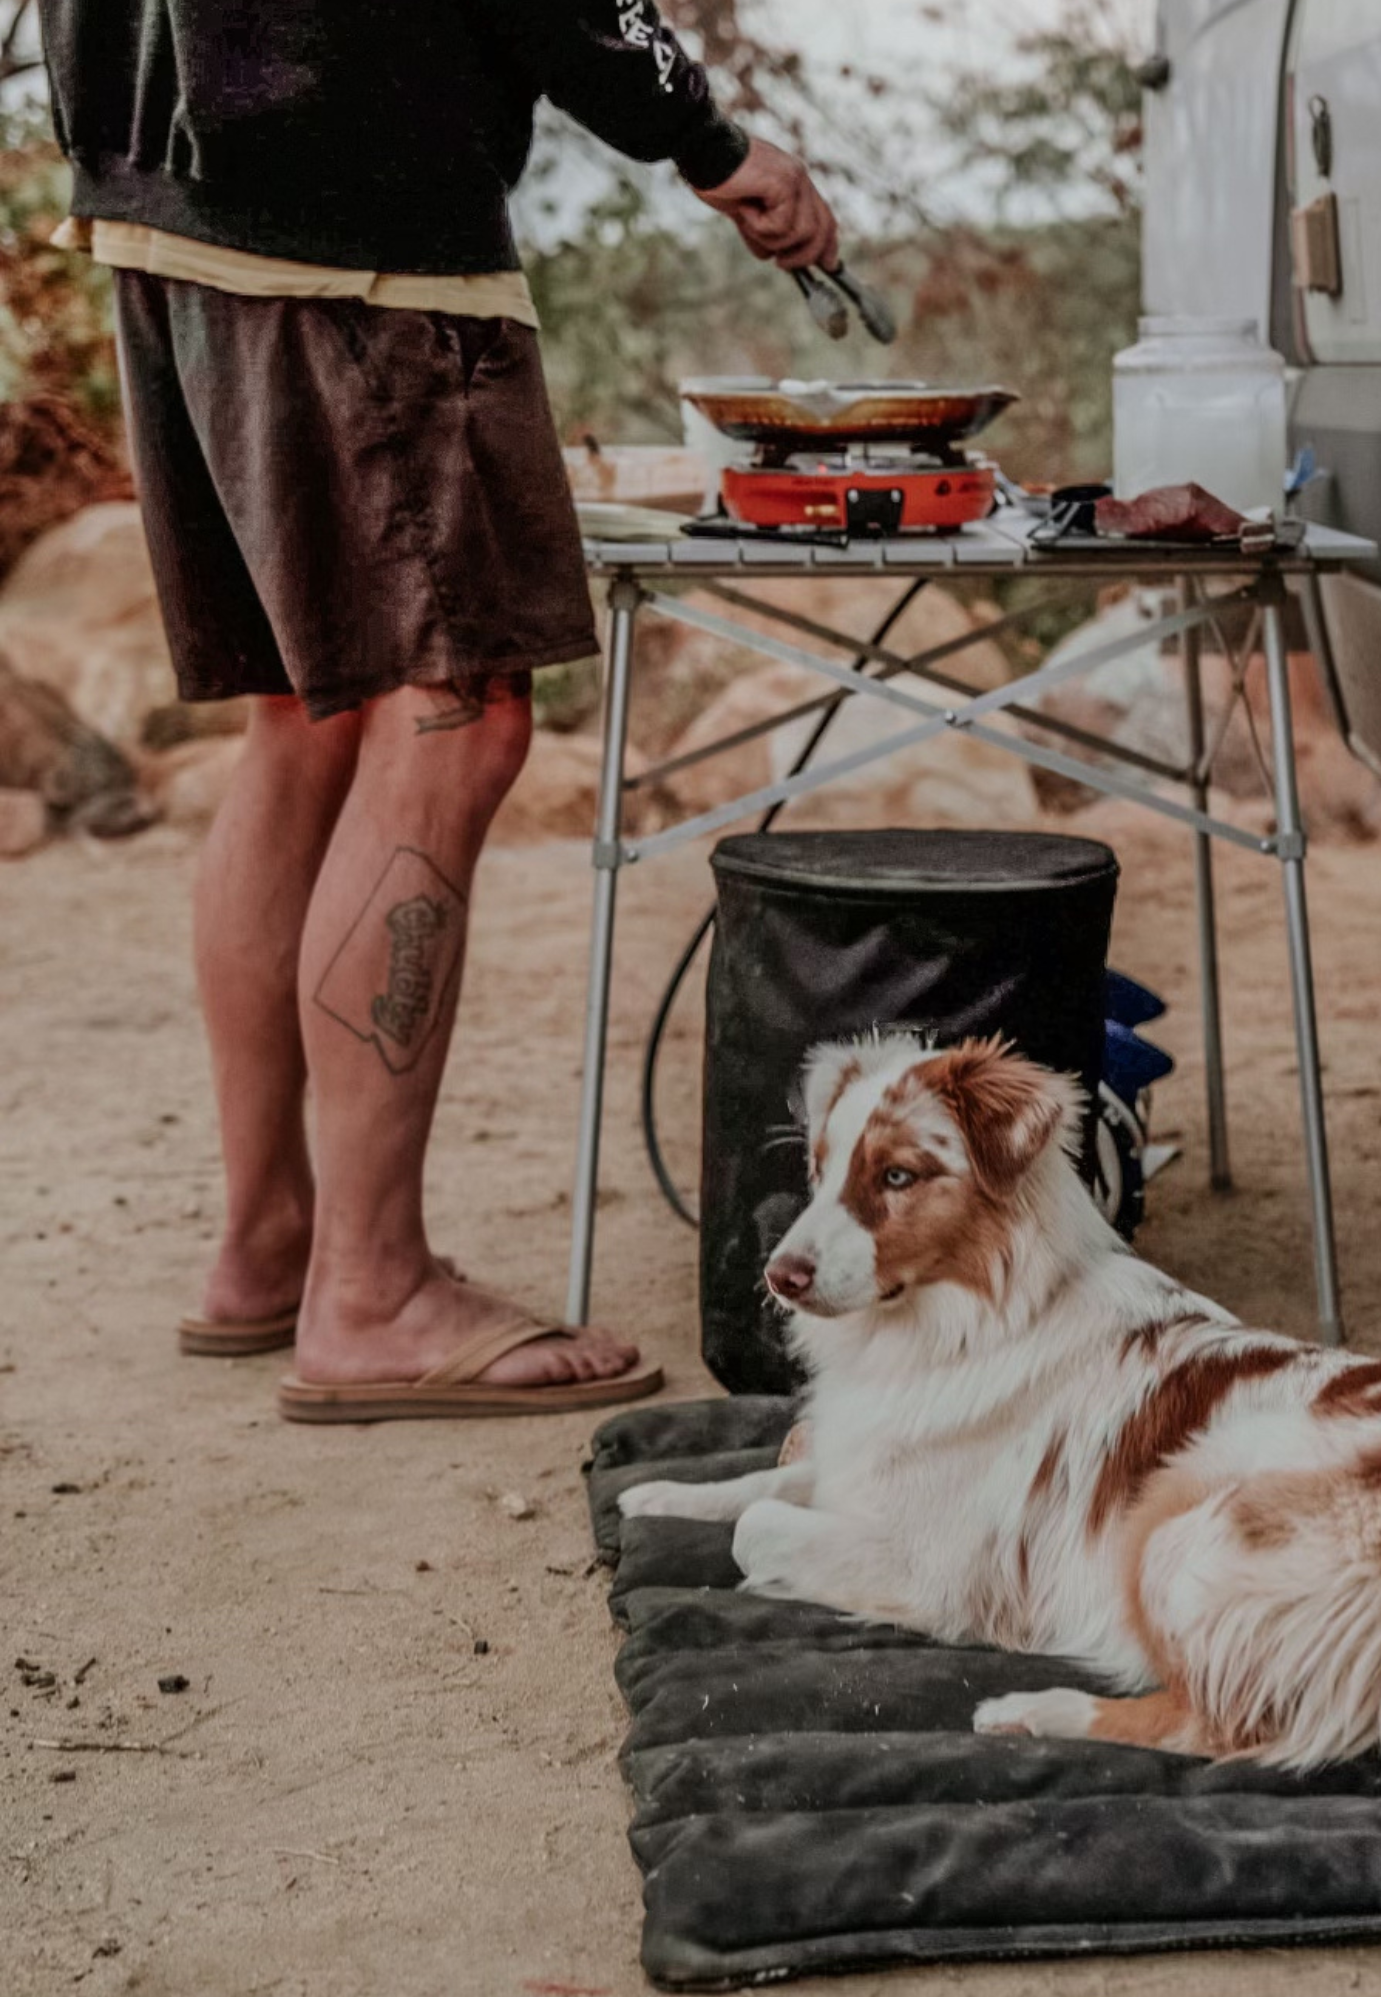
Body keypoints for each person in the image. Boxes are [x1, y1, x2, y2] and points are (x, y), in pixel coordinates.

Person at [41, 1, 839, 1420]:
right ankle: (372, 1292)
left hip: (163, 196)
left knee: (307, 713)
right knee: (450, 714)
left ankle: (274, 1243)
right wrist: (706, 137)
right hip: (355, 220)